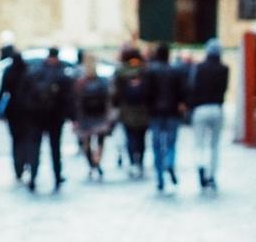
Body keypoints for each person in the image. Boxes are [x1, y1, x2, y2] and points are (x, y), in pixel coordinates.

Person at [12, 48, 74, 191]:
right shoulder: (61, 73)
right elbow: (68, 98)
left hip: (36, 117)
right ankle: (57, 176)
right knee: (55, 148)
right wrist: (70, 116)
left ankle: (33, 176)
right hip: (54, 117)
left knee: (35, 147)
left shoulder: (34, 72)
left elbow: (23, 95)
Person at [186, 39, 231, 192]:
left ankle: (201, 167)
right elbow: (224, 89)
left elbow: (192, 88)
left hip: (200, 108)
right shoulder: (224, 69)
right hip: (216, 108)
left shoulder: (199, 68)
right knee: (214, 145)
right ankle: (211, 175)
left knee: (199, 144)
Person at [146, 44, 187, 194]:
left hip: (156, 113)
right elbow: (183, 92)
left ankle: (160, 178)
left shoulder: (150, 71)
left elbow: (146, 93)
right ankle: (169, 162)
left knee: (157, 145)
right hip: (172, 112)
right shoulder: (175, 71)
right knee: (171, 143)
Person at [70, 52, 115, 180]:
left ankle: (92, 163)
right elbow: (108, 99)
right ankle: (97, 161)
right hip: (99, 115)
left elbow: (75, 101)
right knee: (100, 140)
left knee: (87, 142)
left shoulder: (80, 81)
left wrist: (75, 118)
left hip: (85, 116)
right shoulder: (102, 81)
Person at [113, 46, 153, 178]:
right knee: (141, 137)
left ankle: (132, 162)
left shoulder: (121, 71)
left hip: (127, 109)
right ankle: (140, 161)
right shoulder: (145, 70)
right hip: (143, 109)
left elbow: (115, 93)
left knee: (130, 136)